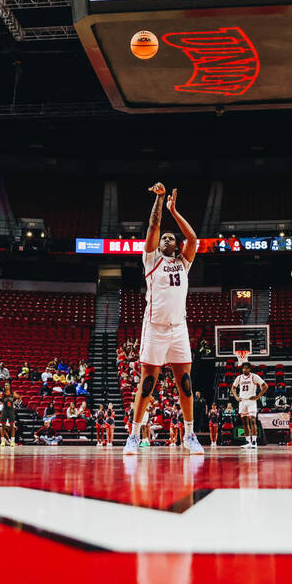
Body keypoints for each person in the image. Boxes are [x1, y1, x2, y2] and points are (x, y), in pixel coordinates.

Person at [124, 184, 205, 456]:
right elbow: (153, 225)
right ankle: (133, 435)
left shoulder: (184, 261)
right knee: (148, 382)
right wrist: (160, 201)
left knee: (185, 383)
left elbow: (193, 239)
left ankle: (190, 435)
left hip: (179, 327)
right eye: (164, 238)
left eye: (171, 238)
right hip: (155, 328)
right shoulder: (151, 260)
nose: (167, 239)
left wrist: (175, 210)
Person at [232, 361, 268, 450]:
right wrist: (236, 397)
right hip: (242, 401)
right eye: (243, 368)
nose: (245, 369)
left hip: (251, 401)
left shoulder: (254, 376)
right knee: (244, 422)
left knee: (252, 420)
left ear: (250, 369)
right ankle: (248, 441)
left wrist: (258, 396)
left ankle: (254, 441)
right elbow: (233, 388)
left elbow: (265, 386)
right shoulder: (239, 378)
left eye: (247, 368)